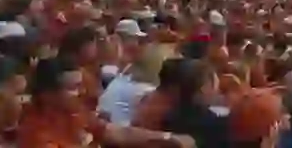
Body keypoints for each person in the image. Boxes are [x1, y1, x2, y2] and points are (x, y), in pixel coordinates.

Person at [17, 57, 193, 148]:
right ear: (47, 94)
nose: (80, 92)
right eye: (72, 87)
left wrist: (168, 138)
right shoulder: (36, 132)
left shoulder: (74, 112)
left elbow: (116, 133)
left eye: (80, 85)